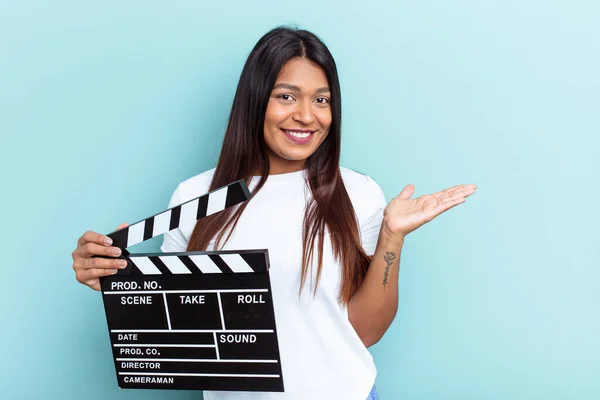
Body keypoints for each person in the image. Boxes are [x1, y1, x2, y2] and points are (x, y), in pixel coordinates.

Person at [71, 26, 476, 400]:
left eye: (321, 100)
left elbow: (365, 331)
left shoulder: (357, 192)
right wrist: (116, 278)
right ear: (255, 100)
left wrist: (392, 238)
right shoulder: (194, 196)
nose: (306, 115)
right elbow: (181, 331)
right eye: (286, 96)